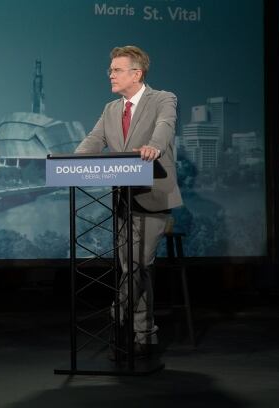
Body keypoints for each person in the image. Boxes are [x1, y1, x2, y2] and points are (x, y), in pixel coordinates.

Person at [75, 45, 182, 358]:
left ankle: (117, 316)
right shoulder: (110, 110)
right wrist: (71, 161)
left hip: (154, 195)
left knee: (139, 264)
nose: (110, 74)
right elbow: (94, 141)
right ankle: (143, 332)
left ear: (137, 73)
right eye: (111, 70)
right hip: (123, 198)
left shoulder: (164, 98)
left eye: (116, 70)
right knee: (130, 267)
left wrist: (153, 147)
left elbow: (165, 126)